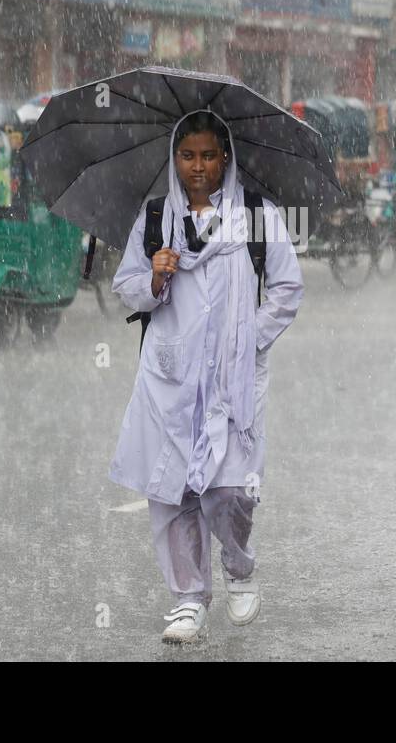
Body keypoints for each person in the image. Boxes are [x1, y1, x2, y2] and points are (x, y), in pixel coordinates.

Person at [110, 109, 304, 644]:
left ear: (226, 158)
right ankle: (188, 598)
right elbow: (124, 286)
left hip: (234, 378)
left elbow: (287, 289)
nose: (199, 167)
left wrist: (249, 338)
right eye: (188, 156)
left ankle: (239, 566)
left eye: (209, 156)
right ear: (175, 159)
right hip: (169, 377)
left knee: (231, 491)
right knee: (172, 493)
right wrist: (154, 276)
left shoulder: (257, 215)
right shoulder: (155, 220)